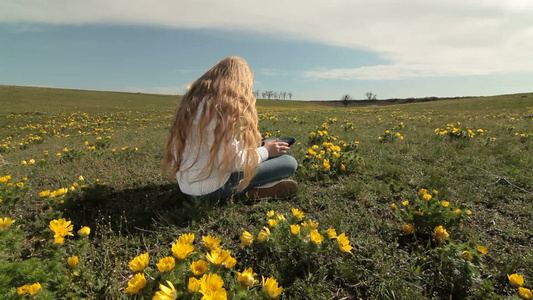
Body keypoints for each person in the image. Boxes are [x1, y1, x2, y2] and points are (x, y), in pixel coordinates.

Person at [162, 56, 298, 201]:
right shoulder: (220, 108)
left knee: (261, 156)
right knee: (288, 163)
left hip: (187, 188)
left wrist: (254, 148)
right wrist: (266, 151)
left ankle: (254, 190)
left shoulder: (193, 104)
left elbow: (216, 148)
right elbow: (231, 163)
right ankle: (247, 192)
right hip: (210, 190)